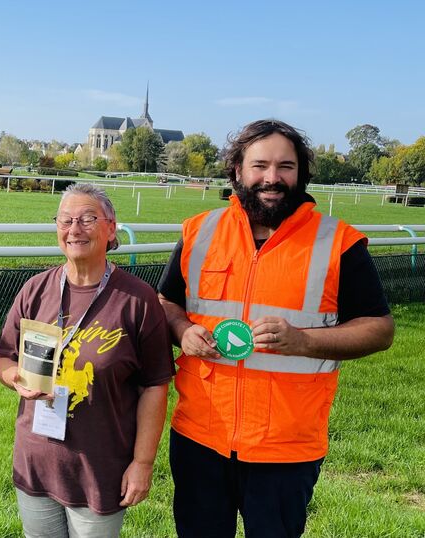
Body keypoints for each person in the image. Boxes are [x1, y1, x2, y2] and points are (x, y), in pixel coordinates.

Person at [158, 119, 395, 538]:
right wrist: (181, 330)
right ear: (237, 171)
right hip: (199, 436)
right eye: (260, 165)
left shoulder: (337, 242)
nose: (272, 178)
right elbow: (166, 302)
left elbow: (379, 329)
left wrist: (304, 341)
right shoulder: (199, 231)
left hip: (286, 446)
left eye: (286, 166)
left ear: (301, 173)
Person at [0, 183, 174, 538]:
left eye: (88, 219)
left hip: (100, 467)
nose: (75, 229)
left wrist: (142, 463)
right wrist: (16, 377)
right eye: (66, 220)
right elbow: (3, 356)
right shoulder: (36, 290)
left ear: (111, 228)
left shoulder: (138, 300)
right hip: (36, 462)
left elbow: (155, 385)